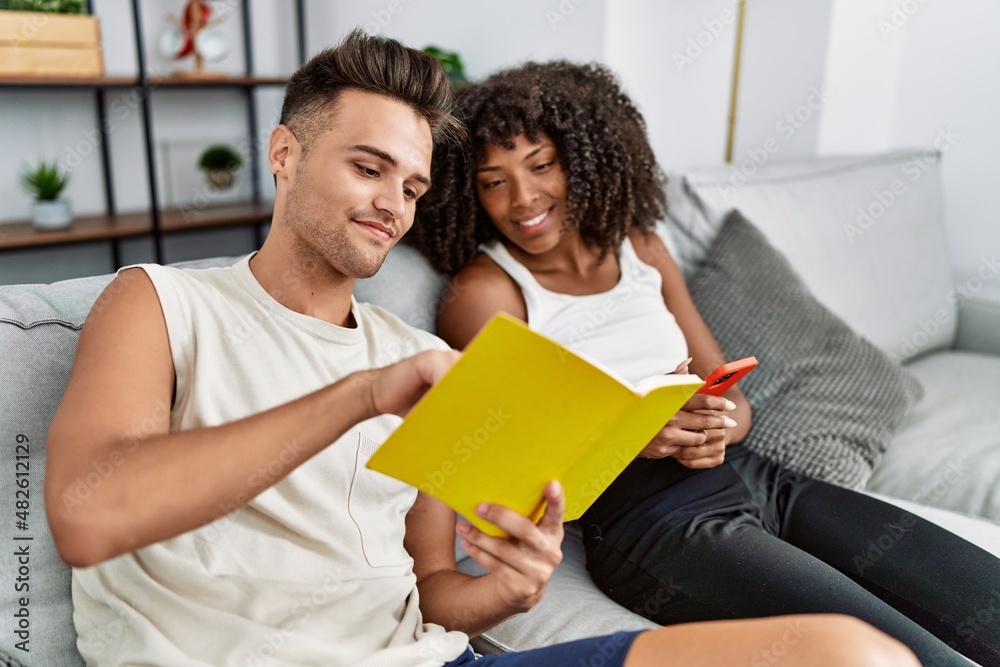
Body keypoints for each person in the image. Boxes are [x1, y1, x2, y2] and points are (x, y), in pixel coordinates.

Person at [43, 31, 916, 667]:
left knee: (852, 653)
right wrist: (361, 395)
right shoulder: (161, 303)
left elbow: (433, 587)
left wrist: (514, 584)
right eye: (368, 167)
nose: (394, 203)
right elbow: (88, 517)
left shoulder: (416, 351)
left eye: (414, 185)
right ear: (285, 153)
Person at [409, 59, 1000, 667]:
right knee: (912, 654)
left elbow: (732, 399)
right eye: (493, 180)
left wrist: (717, 423)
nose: (523, 198)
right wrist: (633, 437)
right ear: (470, 192)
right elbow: (512, 454)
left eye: (541, 165)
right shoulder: (486, 293)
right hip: (658, 523)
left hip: (756, 474)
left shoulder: (640, 247)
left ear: (580, 159)